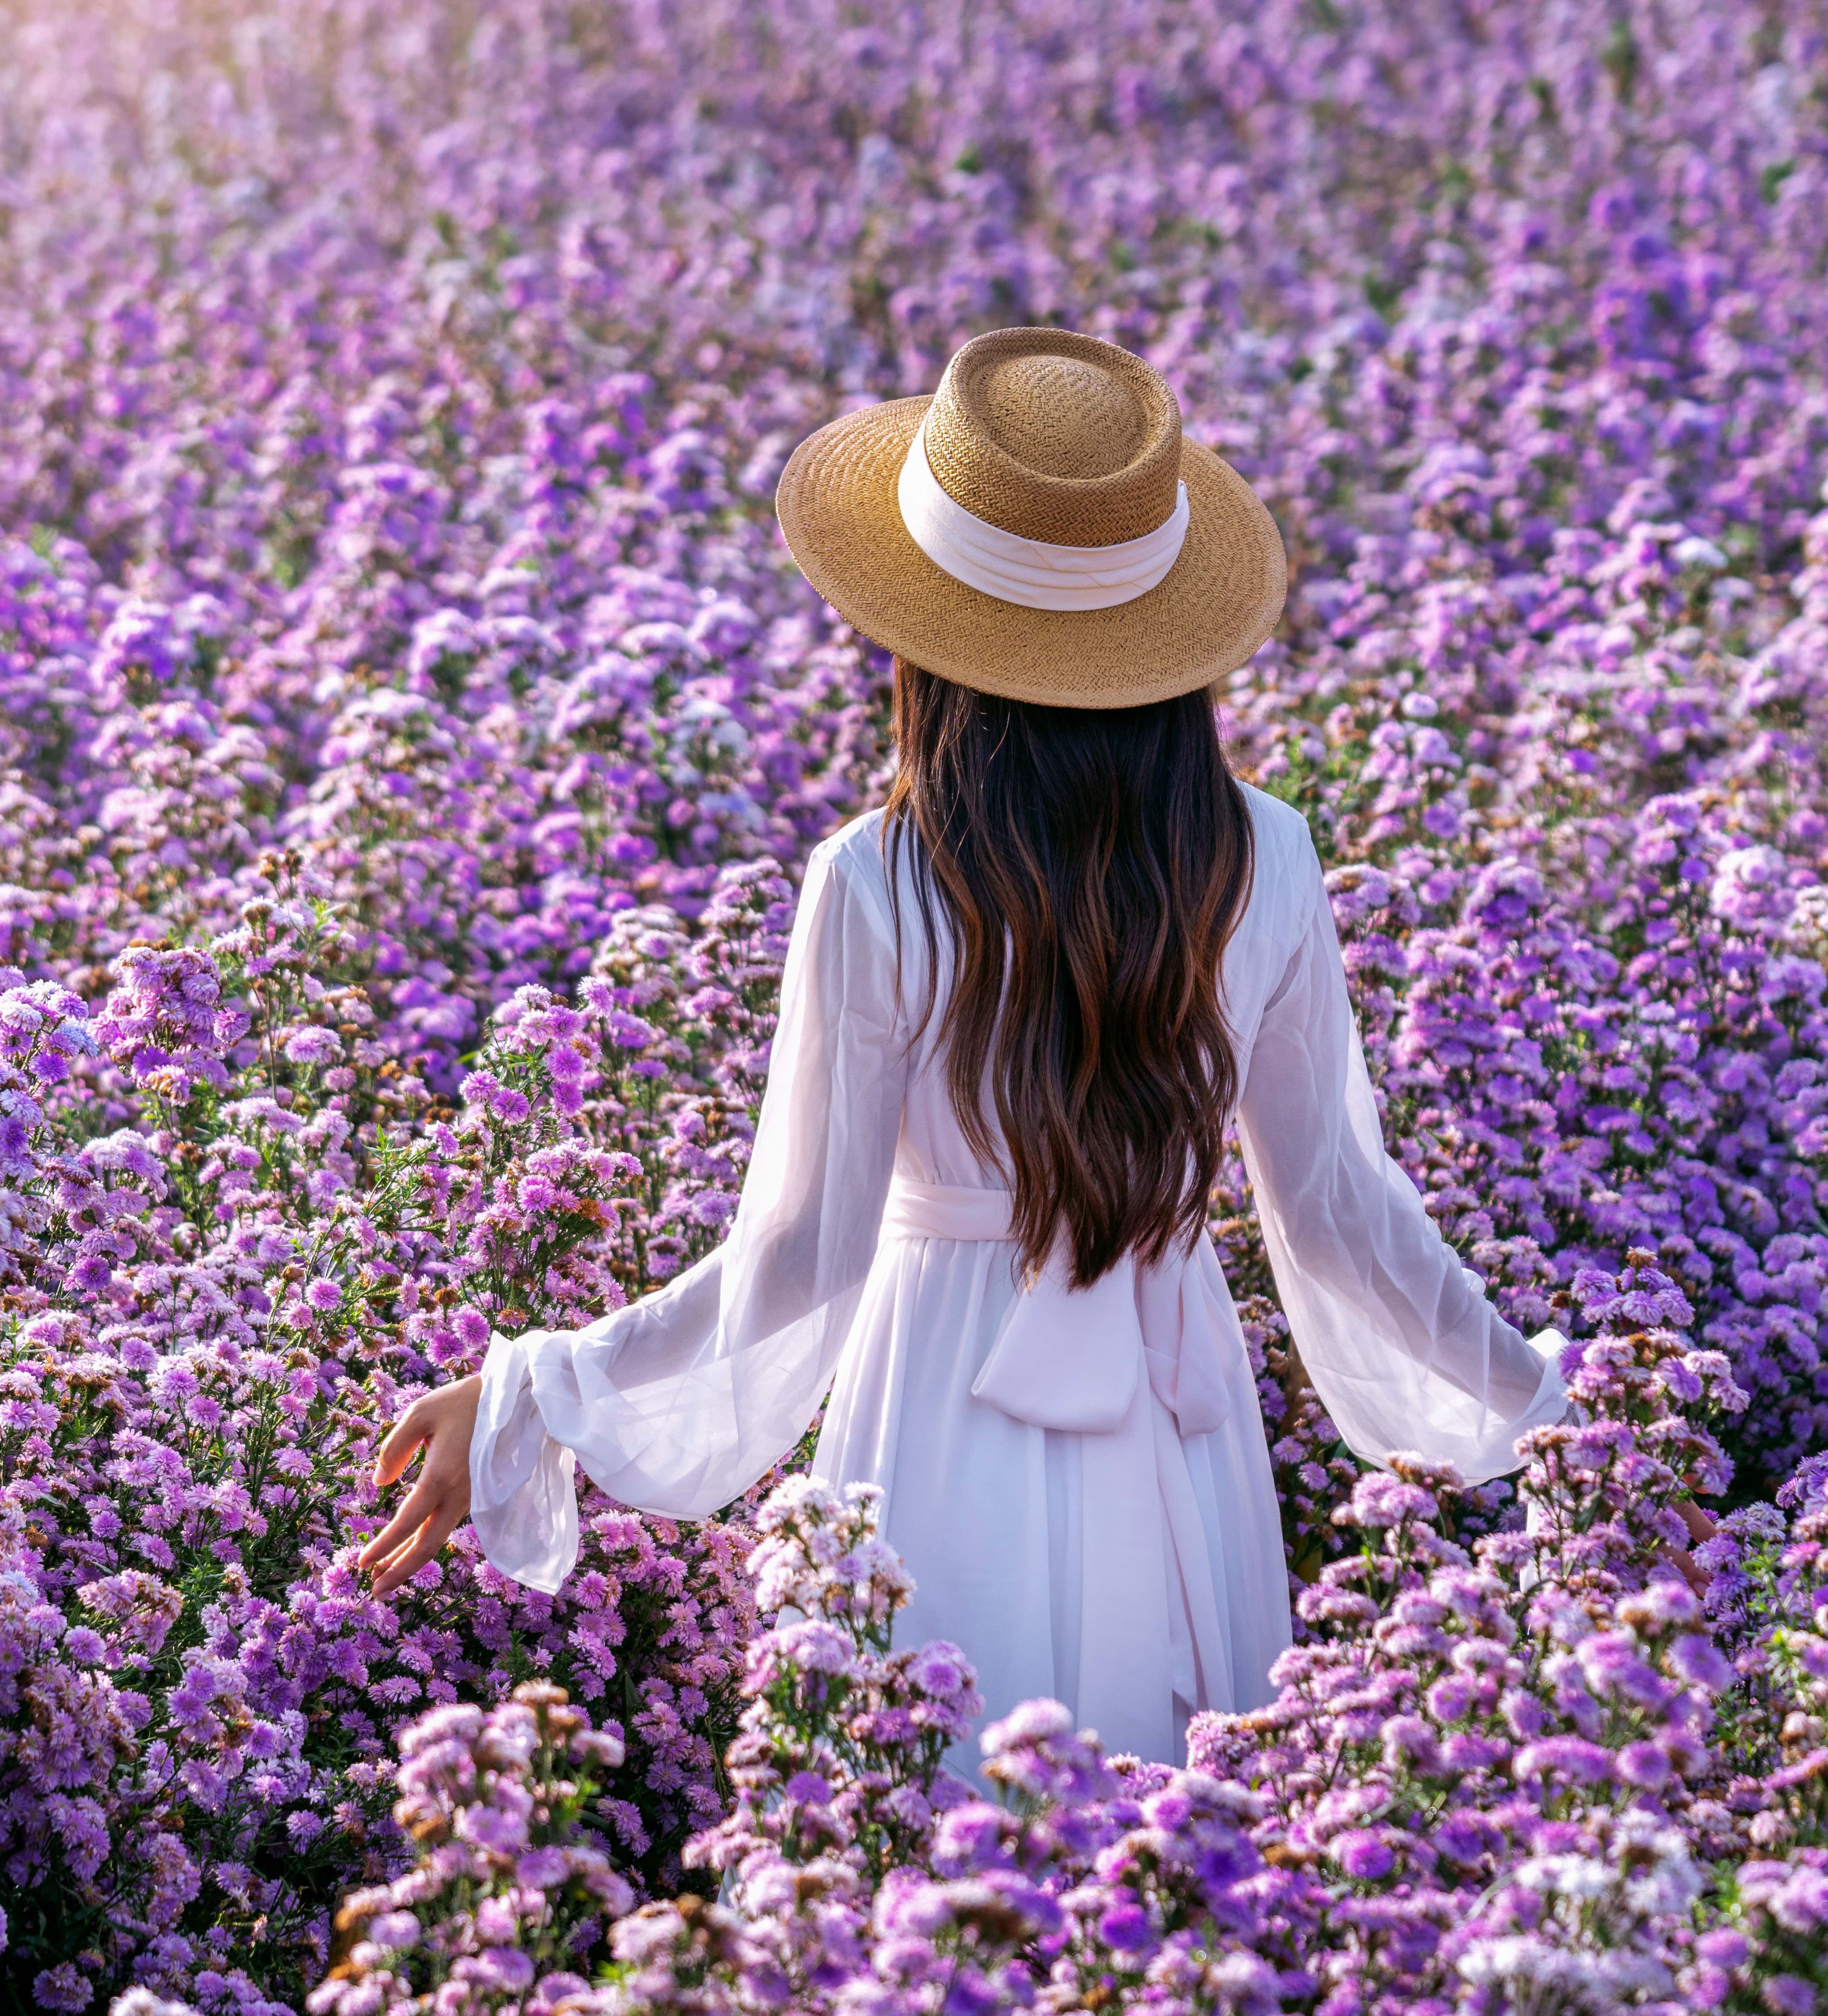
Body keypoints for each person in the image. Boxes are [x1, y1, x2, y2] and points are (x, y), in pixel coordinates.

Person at [356, 327, 1566, 1769]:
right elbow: (1342, 1217)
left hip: (934, 1406)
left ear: (927, 633)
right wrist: (1560, 1416)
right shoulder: (1267, 856)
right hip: (1177, 1435)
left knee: (914, 1844)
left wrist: (528, 1388)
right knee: (1180, 1867)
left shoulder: (873, 879)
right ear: (1164, 631)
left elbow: (799, 1254)